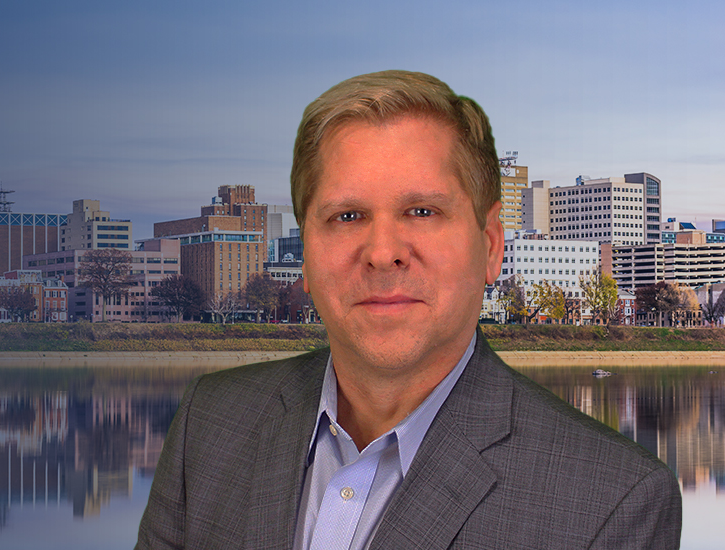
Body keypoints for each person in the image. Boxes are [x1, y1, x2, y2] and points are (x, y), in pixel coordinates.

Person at [136, 71, 681, 549]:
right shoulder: (210, 423)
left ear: (490, 245)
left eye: (421, 211)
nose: (382, 252)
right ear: (305, 252)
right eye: (347, 216)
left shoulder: (611, 501)